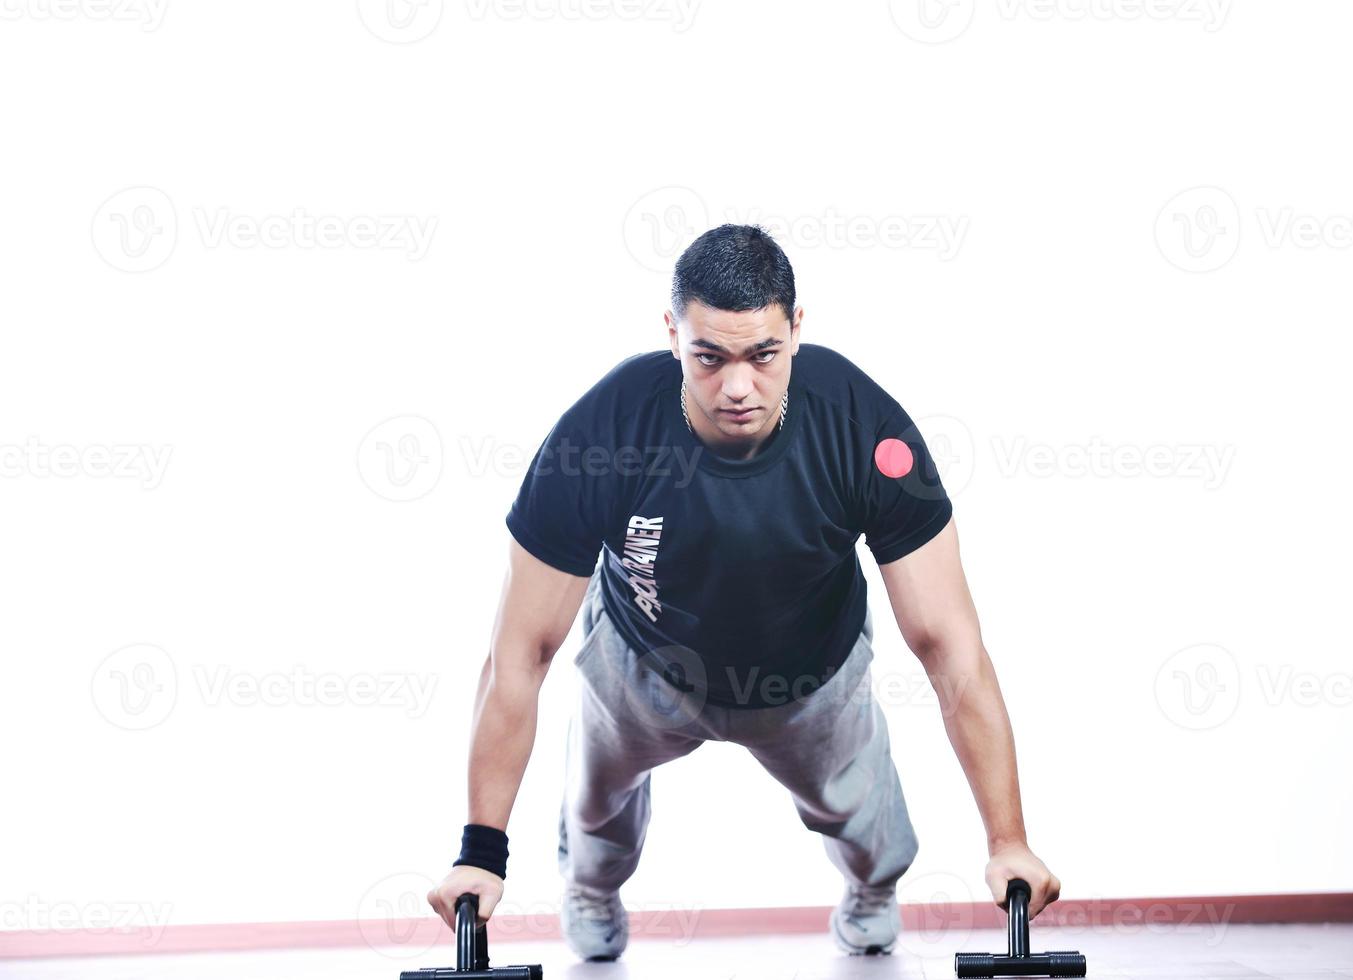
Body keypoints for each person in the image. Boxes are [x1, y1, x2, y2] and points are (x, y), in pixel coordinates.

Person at [427, 224, 1062, 960]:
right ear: (673, 335)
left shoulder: (863, 428)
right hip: (643, 663)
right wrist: (481, 852)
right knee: (596, 818)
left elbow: (949, 645)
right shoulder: (599, 436)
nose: (737, 386)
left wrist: (1009, 840)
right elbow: (519, 653)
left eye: (763, 355)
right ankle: (594, 890)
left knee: (869, 832)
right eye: (709, 356)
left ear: (796, 329)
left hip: (809, 674)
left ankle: (870, 890)